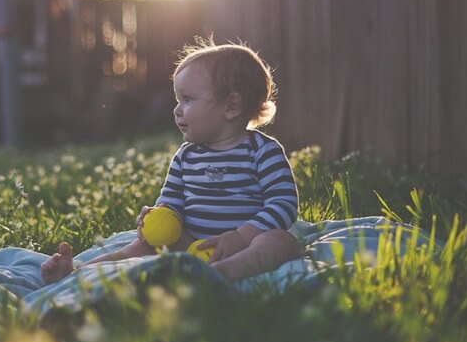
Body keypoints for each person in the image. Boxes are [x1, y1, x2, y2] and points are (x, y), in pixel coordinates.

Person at [41, 39, 300, 284]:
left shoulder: (262, 151)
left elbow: (283, 203)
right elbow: (172, 201)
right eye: (178, 100)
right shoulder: (186, 156)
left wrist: (242, 237)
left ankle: (224, 272)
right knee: (143, 246)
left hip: (243, 245)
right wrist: (159, 215)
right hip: (191, 244)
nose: (177, 110)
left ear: (231, 106)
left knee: (280, 242)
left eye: (187, 100)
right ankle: (80, 272)